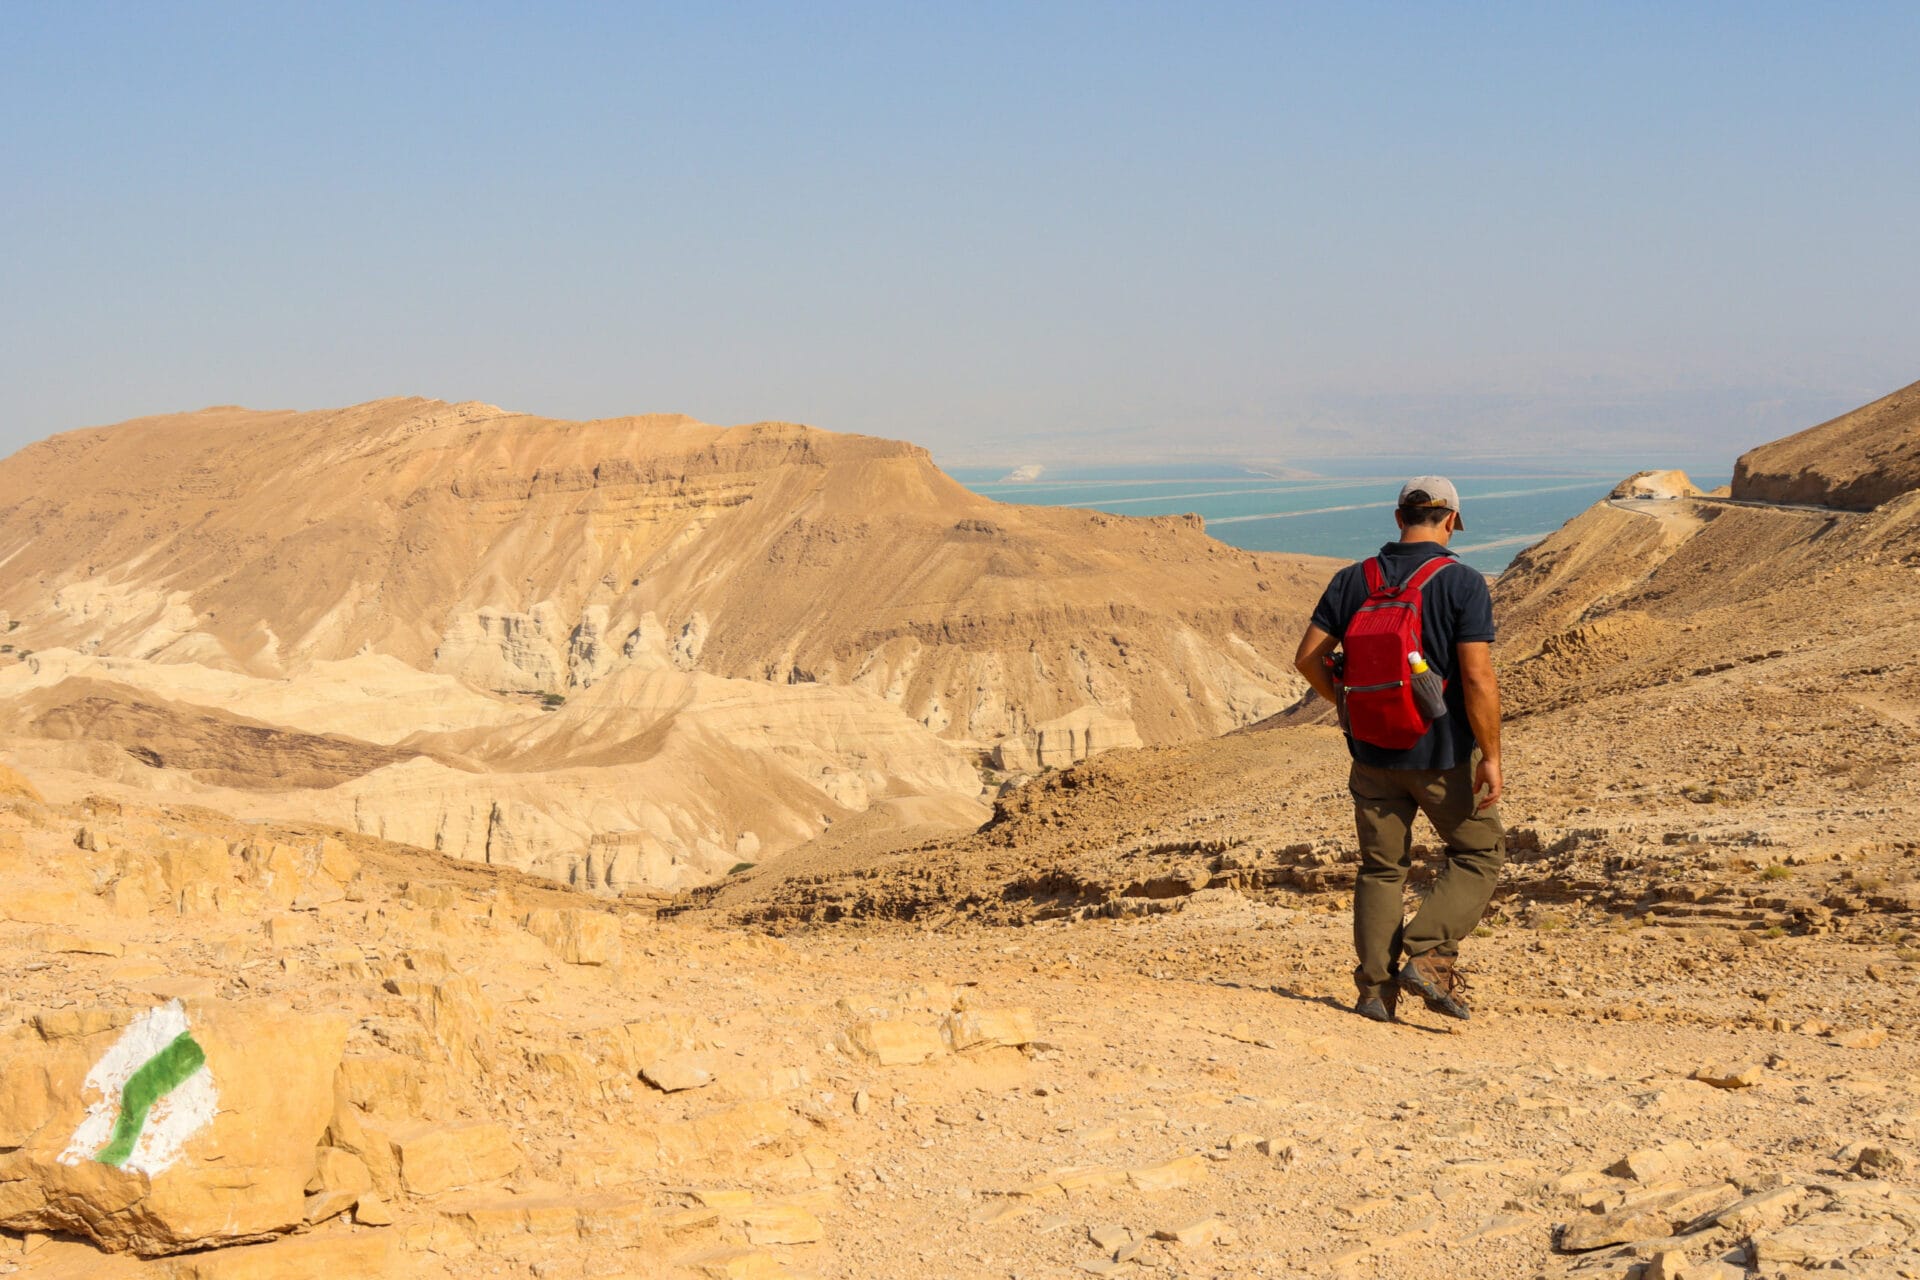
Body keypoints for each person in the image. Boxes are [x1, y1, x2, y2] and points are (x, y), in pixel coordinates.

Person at [1291, 477, 1504, 1023]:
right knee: (1479, 852)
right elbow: (1478, 679)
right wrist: (1491, 755)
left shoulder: (1351, 579)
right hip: (1441, 753)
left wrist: (1347, 704)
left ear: (1397, 517)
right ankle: (1430, 954)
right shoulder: (1461, 582)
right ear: (1453, 519)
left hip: (1370, 754)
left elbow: (1308, 659)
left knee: (1382, 869)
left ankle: (1373, 992)